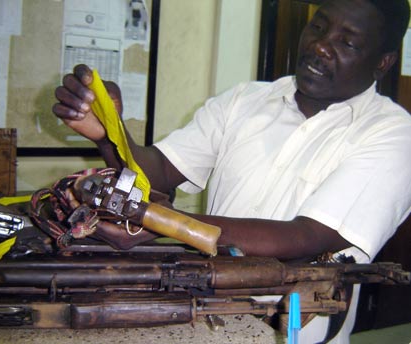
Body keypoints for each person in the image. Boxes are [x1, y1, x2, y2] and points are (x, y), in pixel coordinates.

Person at [53, 0, 411, 342]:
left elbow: (307, 237)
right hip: (200, 321)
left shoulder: (393, 134)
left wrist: (158, 219)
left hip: (291, 337)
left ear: (383, 62)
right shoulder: (245, 101)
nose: (320, 46)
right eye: (318, 26)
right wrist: (110, 134)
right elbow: (159, 169)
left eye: (346, 42)